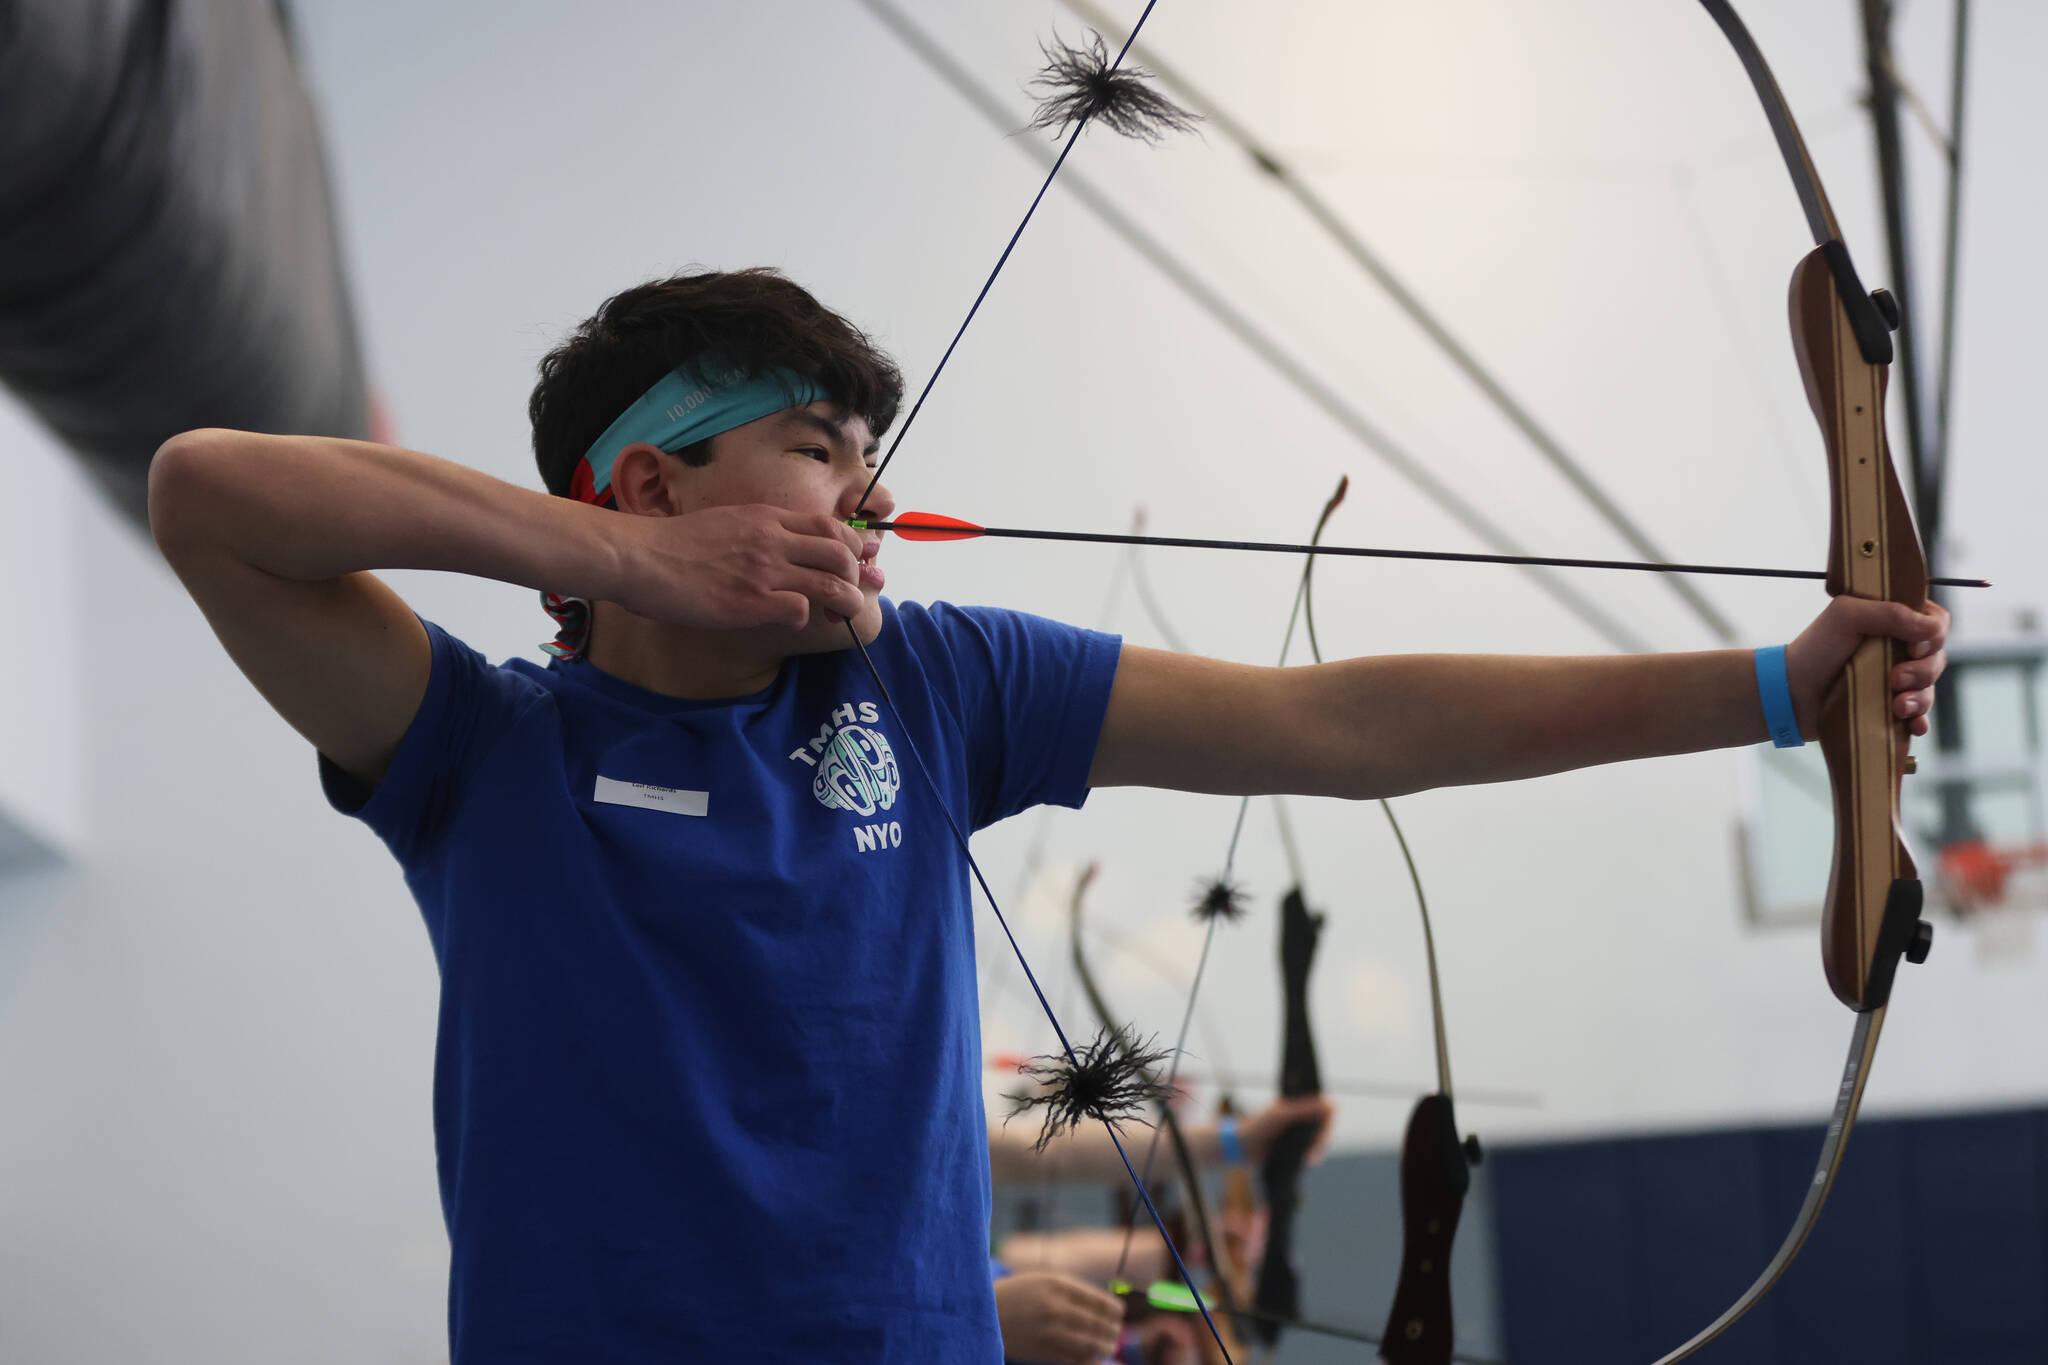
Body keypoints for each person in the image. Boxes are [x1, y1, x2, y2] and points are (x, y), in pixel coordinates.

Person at [145, 268, 1949, 1364]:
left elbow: (1336, 721)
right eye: (820, 453)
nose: (871, 504)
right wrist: (624, 561)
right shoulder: (483, 750)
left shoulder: (930, 685)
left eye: (876, 463)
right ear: (647, 476)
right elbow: (207, 492)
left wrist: (1777, 692)